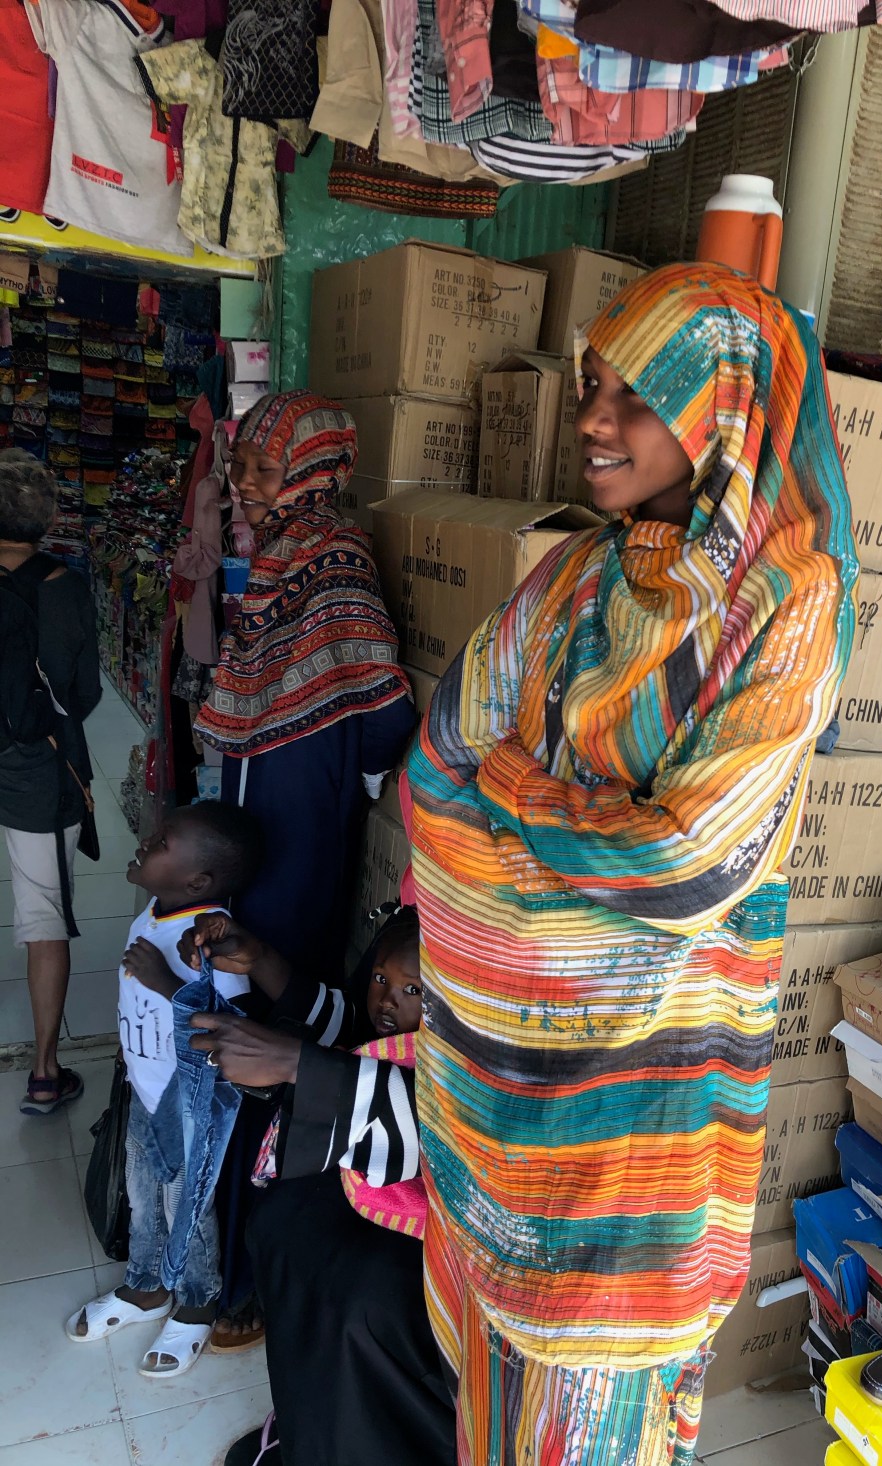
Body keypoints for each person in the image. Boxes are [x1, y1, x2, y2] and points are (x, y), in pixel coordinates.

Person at [404, 264, 859, 1462]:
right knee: (495, 1409)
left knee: (592, 1410)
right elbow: (436, 763)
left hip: (636, 1123)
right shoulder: (574, 572)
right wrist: (572, 863)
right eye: (589, 386)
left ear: (726, 409)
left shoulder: (786, 604)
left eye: (637, 395)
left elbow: (686, 871)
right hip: (503, 1106)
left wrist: (516, 805)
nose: (593, 421)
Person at [192, 389, 417, 1347]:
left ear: (315, 472)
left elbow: (386, 706)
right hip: (258, 826)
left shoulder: (334, 562)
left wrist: (348, 785)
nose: (245, 481)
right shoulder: (275, 560)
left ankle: (250, 1270)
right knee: (239, 998)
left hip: (301, 830)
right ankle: (226, 1244)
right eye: (241, 462)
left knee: (275, 1021)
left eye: (264, 466)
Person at [179, 905, 455, 1466]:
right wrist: (260, 959)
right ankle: (307, 1430)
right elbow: (354, 1025)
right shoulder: (419, 923)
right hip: (367, 1194)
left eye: (410, 991)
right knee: (279, 1223)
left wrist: (299, 1065)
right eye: (381, 980)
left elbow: (477, 1125)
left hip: (448, 1226)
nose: (389, 999)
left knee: (365, 1300)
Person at [65, 800, 265, 1377]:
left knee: (187, 1206)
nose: (145, 844)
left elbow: (226, 1026)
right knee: (142, 1192)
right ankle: (146, 1285)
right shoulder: (154, 913)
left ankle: (198, 1300)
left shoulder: (210, 938)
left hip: (187, 1101)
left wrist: (165, 981)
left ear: (197, 881)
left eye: (161, 843)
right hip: (144, 1088)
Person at [0, 451, 101, 1117]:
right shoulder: (67, 589)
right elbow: (83, 694)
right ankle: (43, 1072)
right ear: (49, 517)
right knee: (44, 919)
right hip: (39, 767)